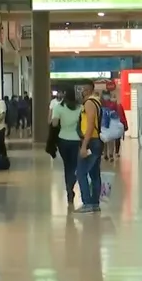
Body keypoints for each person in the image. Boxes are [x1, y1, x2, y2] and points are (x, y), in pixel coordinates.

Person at [50, 87, 83, 205]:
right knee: (73, 166)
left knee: (67, 165)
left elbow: (54, 123)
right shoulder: (80, 108)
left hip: (62, 139)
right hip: (76, 140)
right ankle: (71, 186)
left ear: (64, 95)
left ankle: (69, 189)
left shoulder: (58, 107)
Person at [75, 79, 104, 213]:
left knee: (81, 172)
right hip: (96, 141)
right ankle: (95, 203)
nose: (81, 92)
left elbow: (90, 124)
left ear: (89, 90)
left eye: (83, 89)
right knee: (94, 173)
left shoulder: (89, 103)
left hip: (91, 141)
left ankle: (87, 203)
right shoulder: (97, 102)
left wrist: (84, 145)